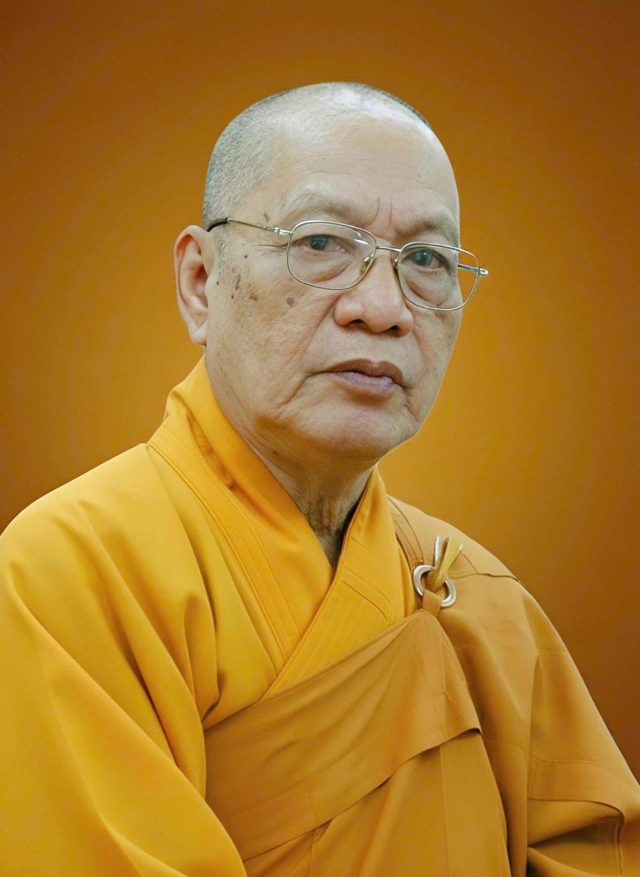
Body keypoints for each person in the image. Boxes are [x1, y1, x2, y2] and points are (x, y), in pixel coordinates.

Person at [0, 82, 638, 876]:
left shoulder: (478, 597)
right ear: (200, 282)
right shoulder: (72, 567)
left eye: (427, 261)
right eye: (322, 242)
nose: (382, 308)